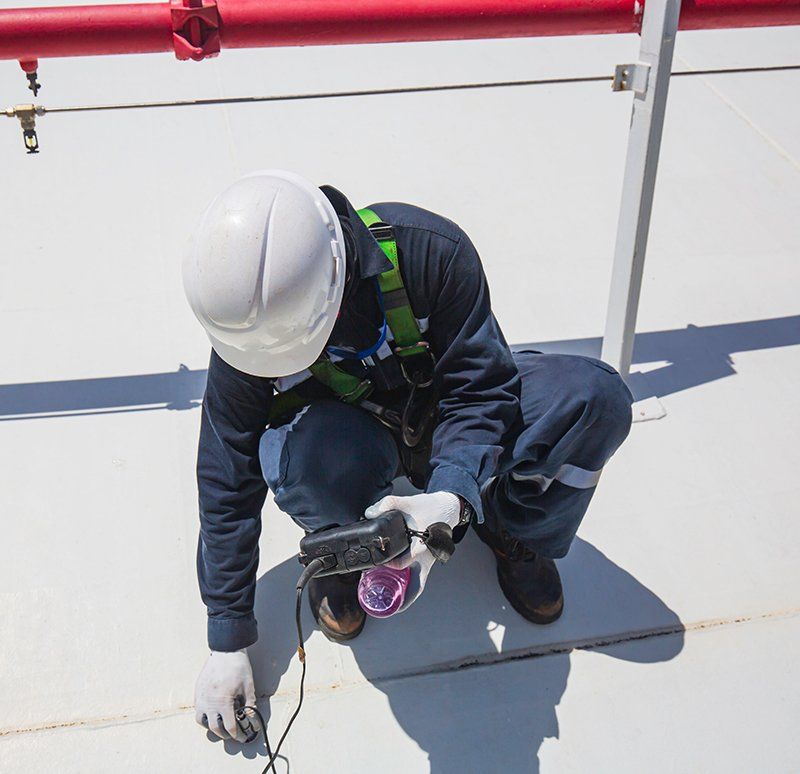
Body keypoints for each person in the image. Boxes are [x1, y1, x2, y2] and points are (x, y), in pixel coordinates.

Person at [183, 170, 633, 741]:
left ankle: (516, 530)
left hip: (444, 417)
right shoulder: (255, 330)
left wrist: (450, 494)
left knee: (592, 400)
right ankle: (343, 554)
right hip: (350, 442)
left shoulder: (431, 253)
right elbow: (227, 477)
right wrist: (228, 637)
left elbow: (480, 387)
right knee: (297, 457)